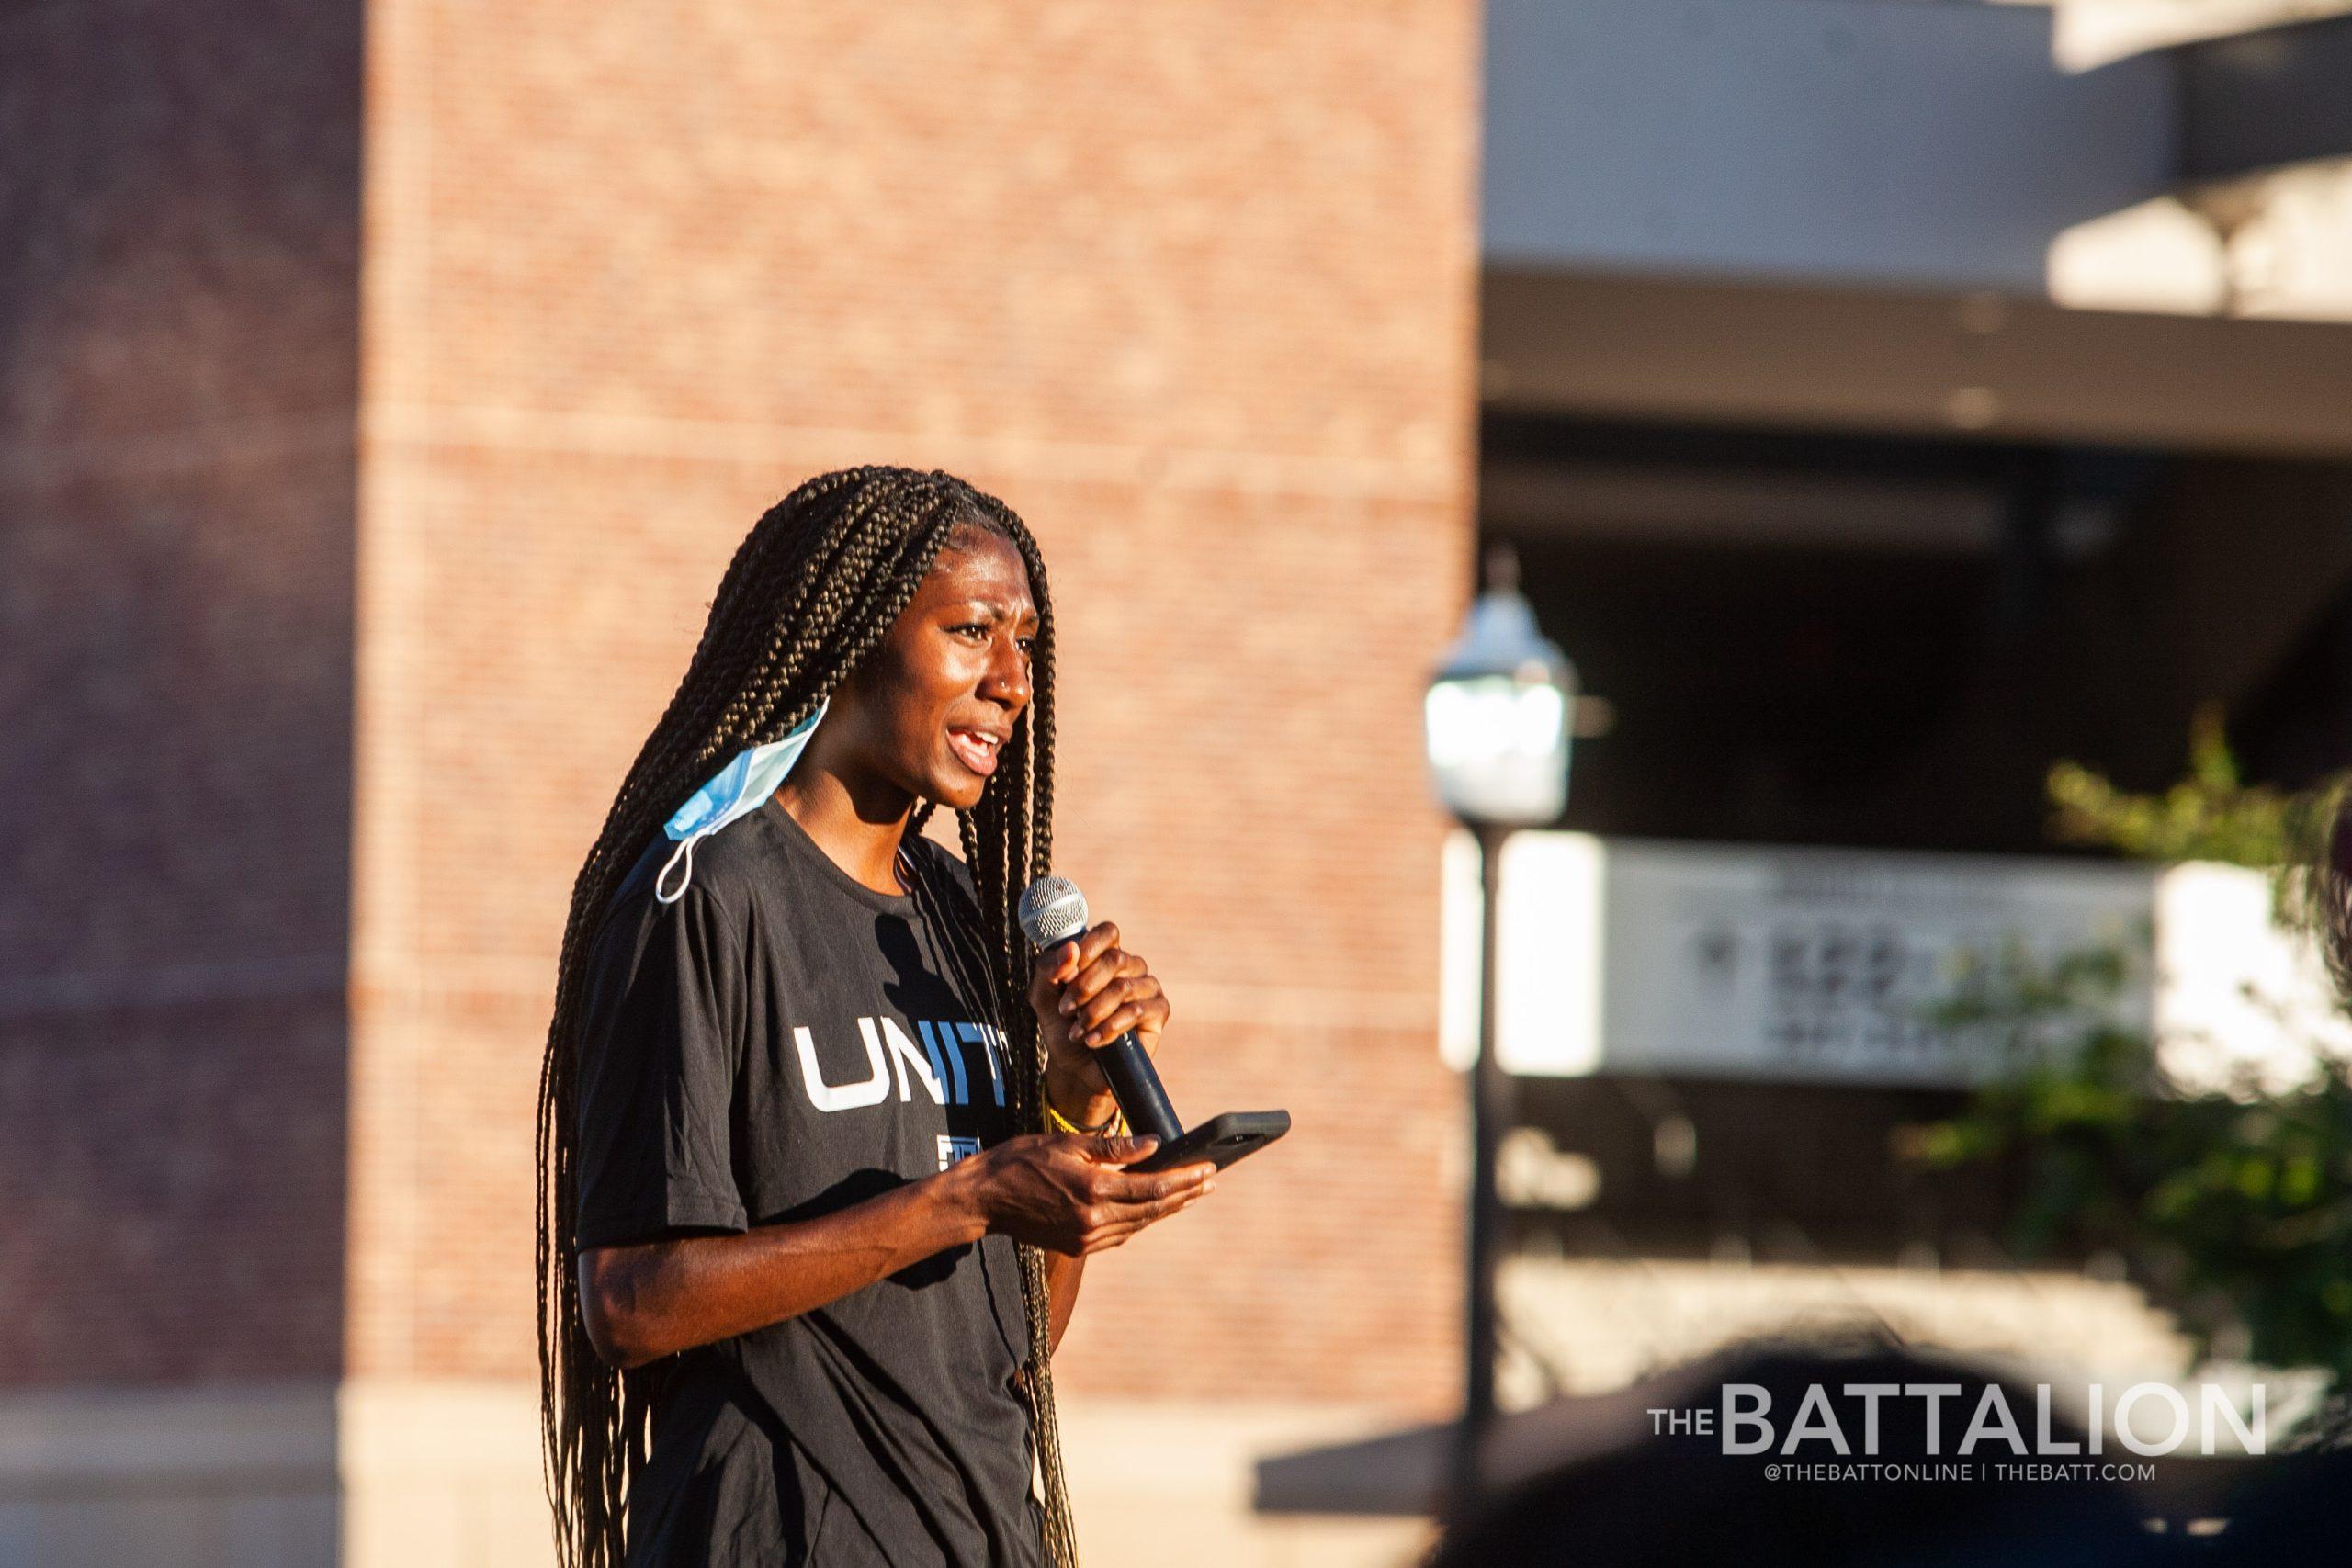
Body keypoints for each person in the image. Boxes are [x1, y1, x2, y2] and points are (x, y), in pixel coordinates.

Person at [535, 467, 1216, 1568]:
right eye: (972, 631)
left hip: (979, 1536)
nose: (1012, 682)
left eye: (1027, 644)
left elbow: (1014, 1342)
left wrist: (1071, 1104)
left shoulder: (967, 922)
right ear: (852, 636)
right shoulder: (706, 898)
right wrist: (969, 1196)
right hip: (774, 1530)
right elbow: (631, 1301)